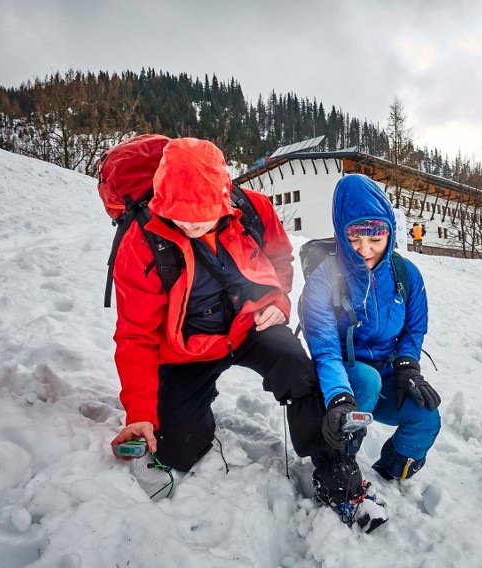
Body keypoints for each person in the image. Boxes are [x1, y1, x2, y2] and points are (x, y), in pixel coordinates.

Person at [108, 138, 352, 509]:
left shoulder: (254, 209)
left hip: (250, 325)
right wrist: (140, 413)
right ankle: (196, 403)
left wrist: (278, 301)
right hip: (188, 350)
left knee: (298, 368)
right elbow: (136, 337)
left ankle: (331, 459)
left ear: (224, 198)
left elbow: (280, 260)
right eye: (179, 216)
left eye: (200, 215)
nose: (190, 225)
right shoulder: (139, 243)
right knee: (177, 450)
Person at [301, 174, 441, 485]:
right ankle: (336, 463)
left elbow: (414, 328)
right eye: (354, 240)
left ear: (389, 232)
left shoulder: (406, 274)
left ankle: (390, 472)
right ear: (341, 232)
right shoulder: (324, 279)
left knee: (425, 416)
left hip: (389, 372)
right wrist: (338, 396)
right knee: (366, 380)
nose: (365, 250)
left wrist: (407, 365)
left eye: (375, 240)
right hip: (348, 376)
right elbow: (324, 347)